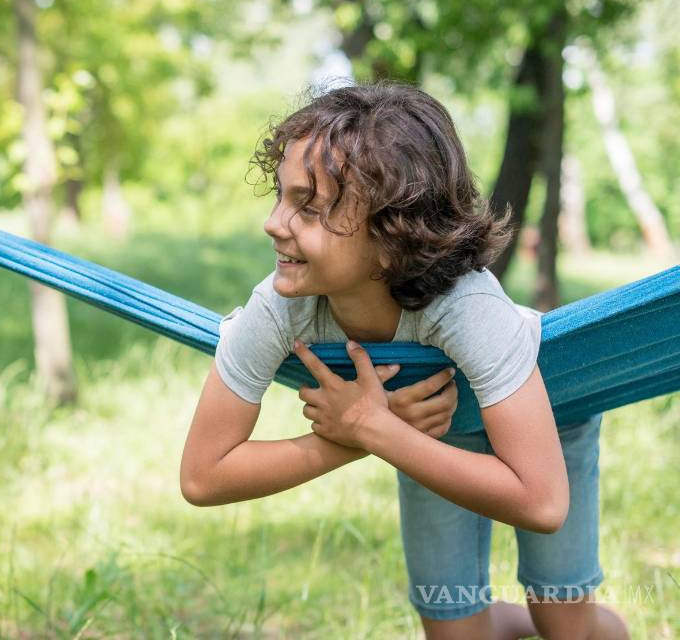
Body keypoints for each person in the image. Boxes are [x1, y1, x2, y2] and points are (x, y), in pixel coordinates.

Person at [179, 81, 629, 639]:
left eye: (309, 207)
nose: (274, 223)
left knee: (564, 624)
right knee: (454, 632)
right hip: (432, 431)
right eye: (281, 195)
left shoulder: (468, 307)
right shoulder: (278, 307)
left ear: (393, 235)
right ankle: (500, 624)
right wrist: (356, 435)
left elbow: (542, 503)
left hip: (551, 414)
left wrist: (375, 425)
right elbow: (202, 476)